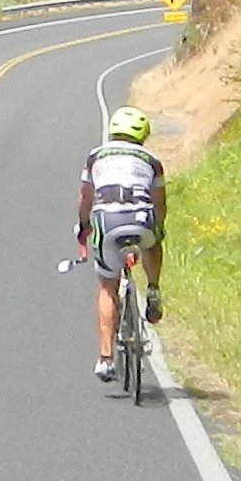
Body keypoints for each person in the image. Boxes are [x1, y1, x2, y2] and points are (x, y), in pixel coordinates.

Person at [79, 105, 166, 382]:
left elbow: (86, 197)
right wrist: (159, 228)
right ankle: (153, 289)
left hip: (107, 220)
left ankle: (106, 359)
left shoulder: (95, 156)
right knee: (153, 241)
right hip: (141, 217)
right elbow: (160, 202)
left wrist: (83, 225)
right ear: (143, 135)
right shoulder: (152, 160)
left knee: (107, 285)